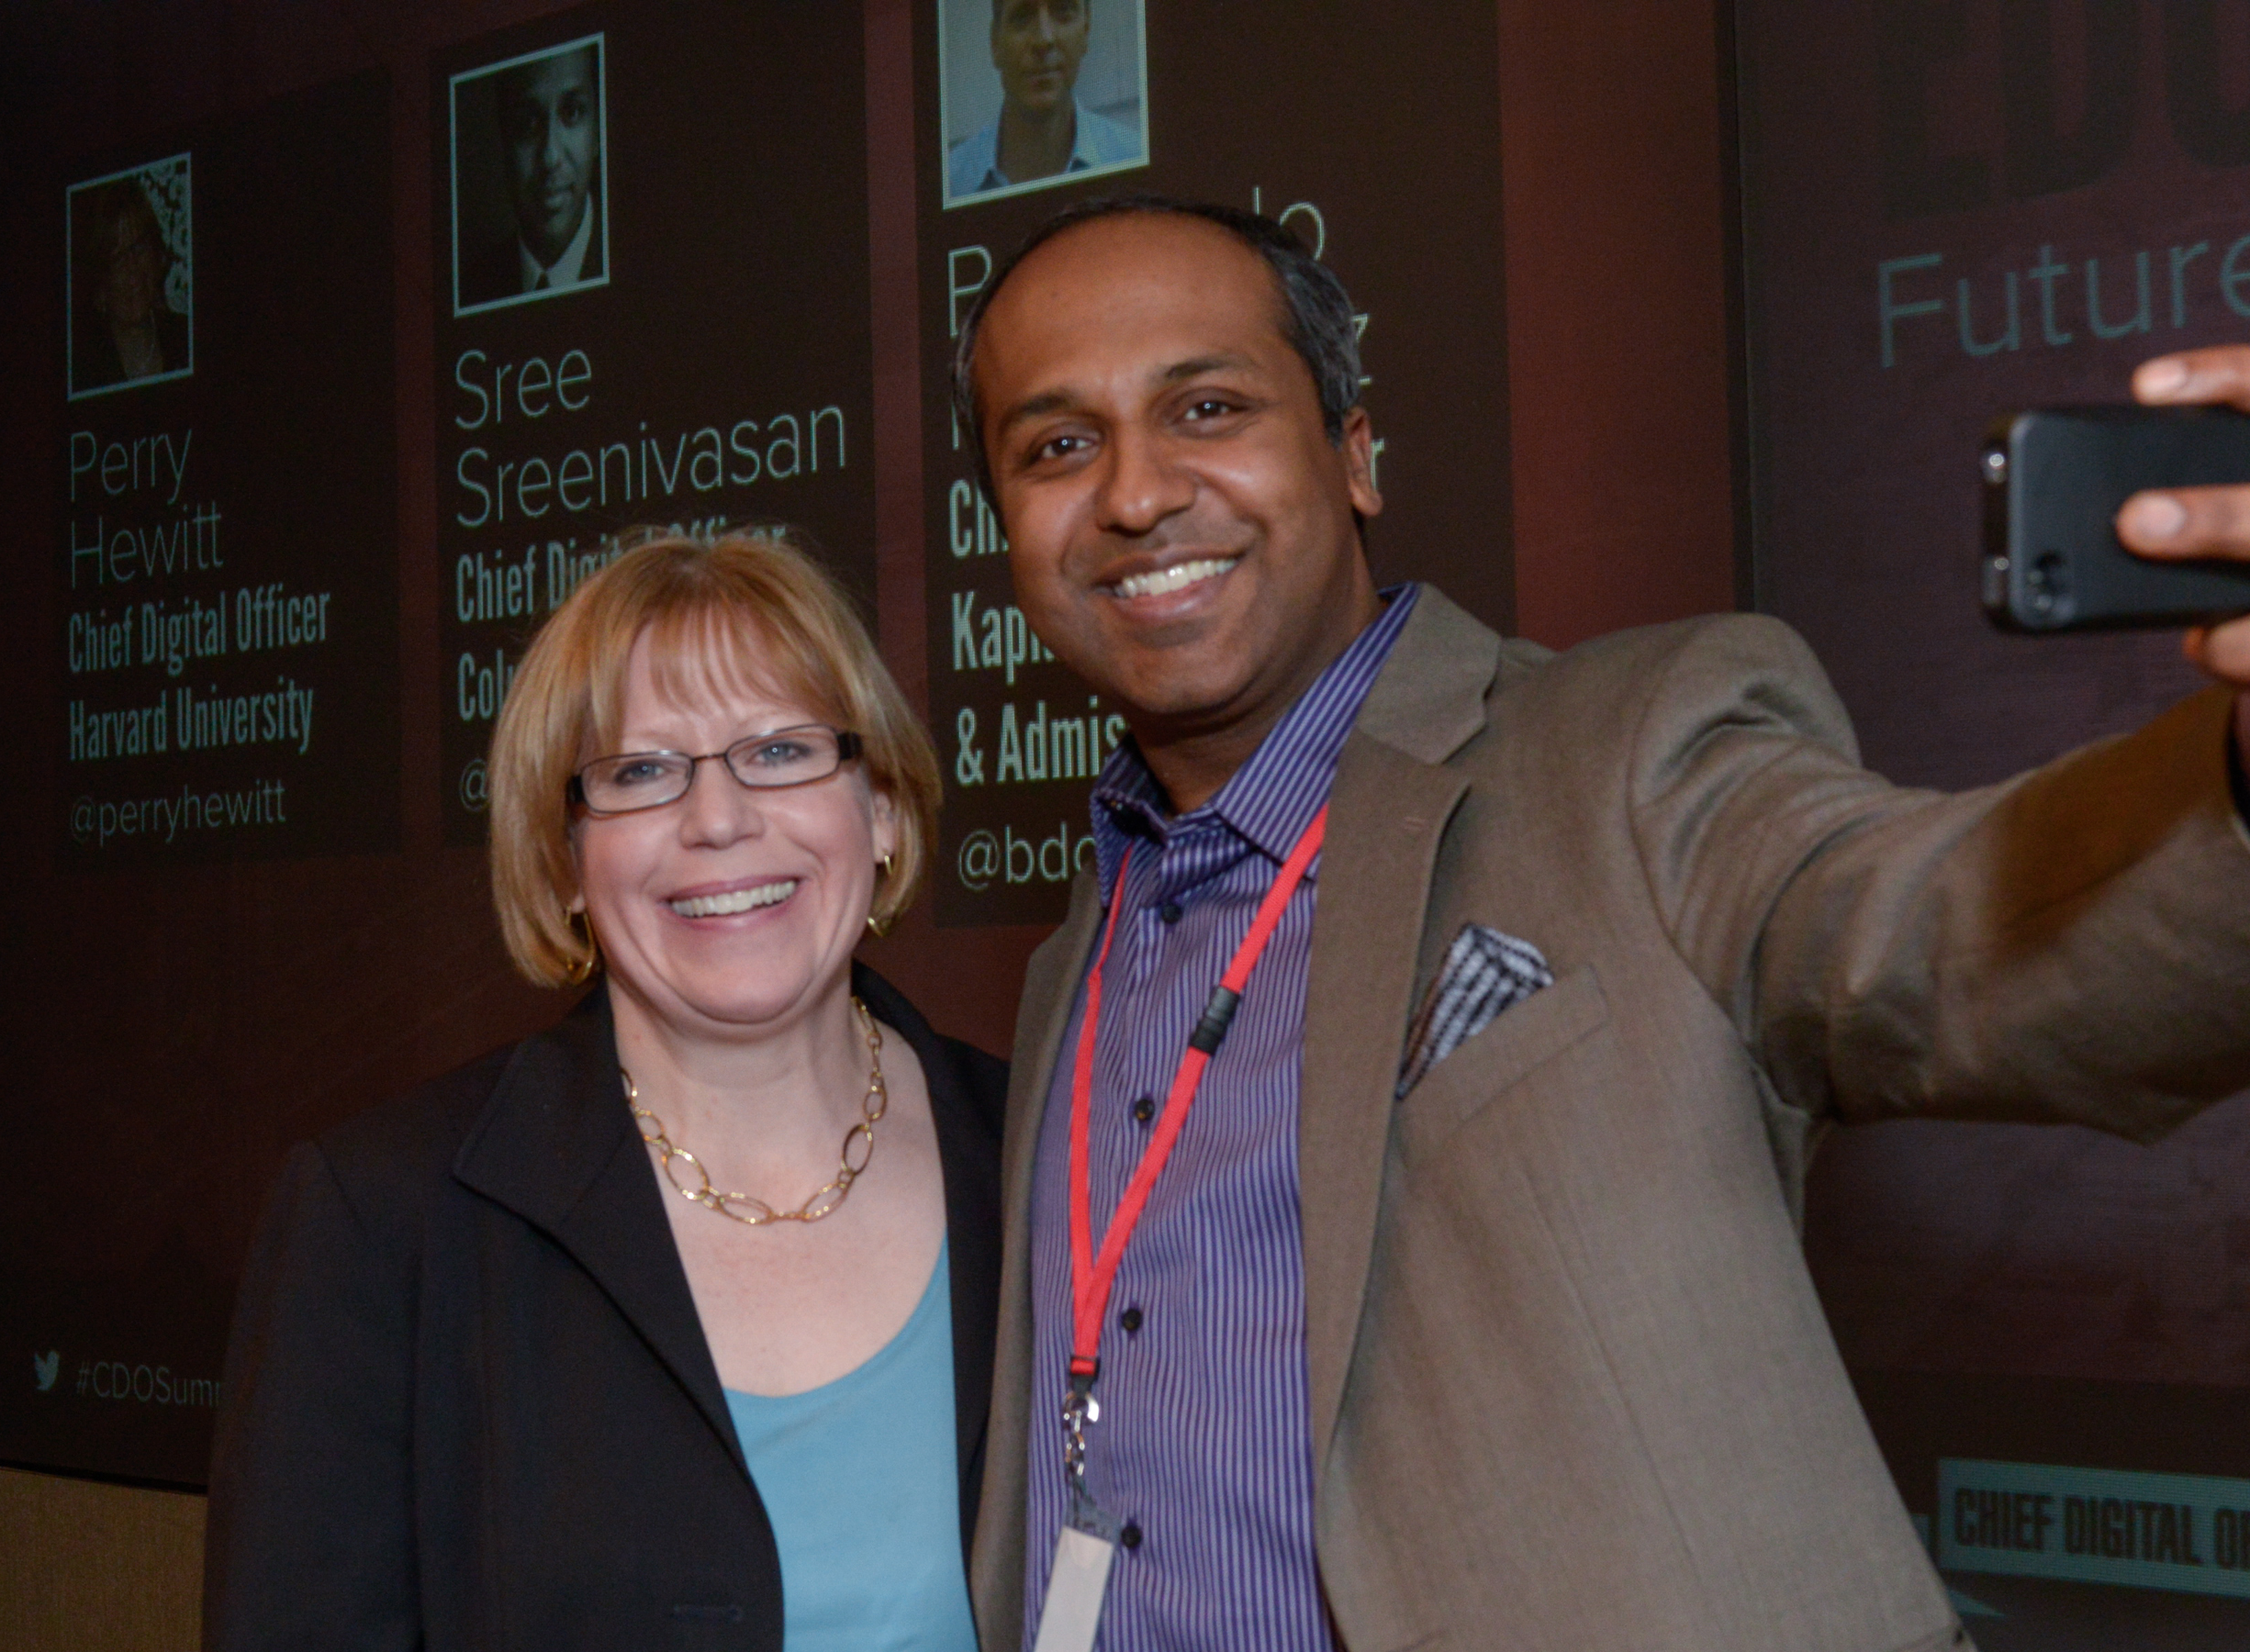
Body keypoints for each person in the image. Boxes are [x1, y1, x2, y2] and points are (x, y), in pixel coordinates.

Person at [948, 197, 2250, 1651]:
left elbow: (1946, 939)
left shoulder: (1626, 753)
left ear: (1356, 456)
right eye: (1058, 446)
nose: (1135, 494)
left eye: (1207, 406)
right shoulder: (1086, 939)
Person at [203, 533, 1002, 1650]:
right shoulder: (385, 1223)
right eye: (640, 772)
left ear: (884, 812)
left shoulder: (1043, 1156)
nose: (718, 819)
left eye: (779, 751)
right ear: (565, 861)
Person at [946, 0, 1142, 202]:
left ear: (1085, 31)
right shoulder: (951, 182)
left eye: (1063, 12)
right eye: (1022, 17)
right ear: (995, 43)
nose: (1044, 39)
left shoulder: (1133, 157)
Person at [462, 41, 601, 305]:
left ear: (598, 131)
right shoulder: (472, 288)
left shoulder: (642, 263)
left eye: (572, 112)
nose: (550, 158)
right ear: (503, 140)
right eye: (528, 123)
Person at [71, 177, 188, 394]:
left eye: (138, 248)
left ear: (156, 255)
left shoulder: (187, 340)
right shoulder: (81, 372)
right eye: (117, 257)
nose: (132, 267)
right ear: (100, 285)